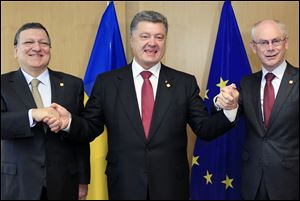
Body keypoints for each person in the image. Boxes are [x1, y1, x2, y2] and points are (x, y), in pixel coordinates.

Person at [48, 11, 239, 200]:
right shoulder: (107, 83)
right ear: (132, 40)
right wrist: (69, 122)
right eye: (145, 36)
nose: (152, 43)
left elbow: (204, 128)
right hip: (124, 184)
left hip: (171, 186)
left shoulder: (184, 83)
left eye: (159, 37)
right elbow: (90, 127)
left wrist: (229, 111)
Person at [1, 22, 90, 200]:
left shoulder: (73, 84)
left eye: (43, 43)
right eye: (28, 43)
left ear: (50, 48)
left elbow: (82, 136)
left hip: (64, 182)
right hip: (17, 183)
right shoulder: (3, 84)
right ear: (16, 50)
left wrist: (83, 180)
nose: (37, 47)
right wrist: (32, 115)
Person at [216, 19, 299, 200]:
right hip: (253, 182)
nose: (270, 48)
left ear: (286, 43)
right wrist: (223, 101)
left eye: (276, 41)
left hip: (291, 182)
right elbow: (231, 110)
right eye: (263, 42)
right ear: (253, 47)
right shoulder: (247, 83)